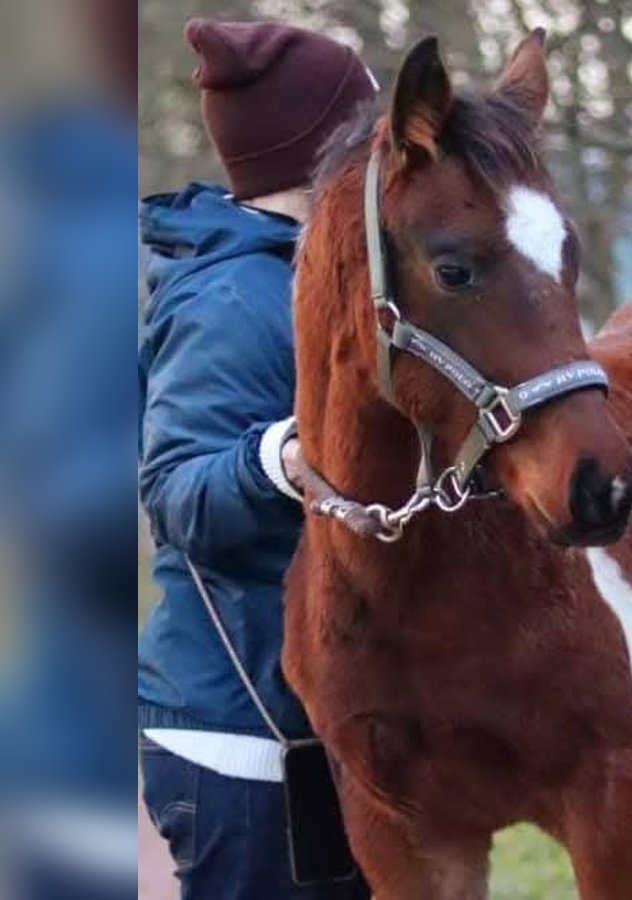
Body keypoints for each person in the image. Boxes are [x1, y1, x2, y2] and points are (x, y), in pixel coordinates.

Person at [137, 19, 375, 899]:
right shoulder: (234, 297)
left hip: (315, 730)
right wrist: (280, 456)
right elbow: (173, 492)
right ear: (325, 151)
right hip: (241, 748)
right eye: (371, 131)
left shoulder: (308, 274)